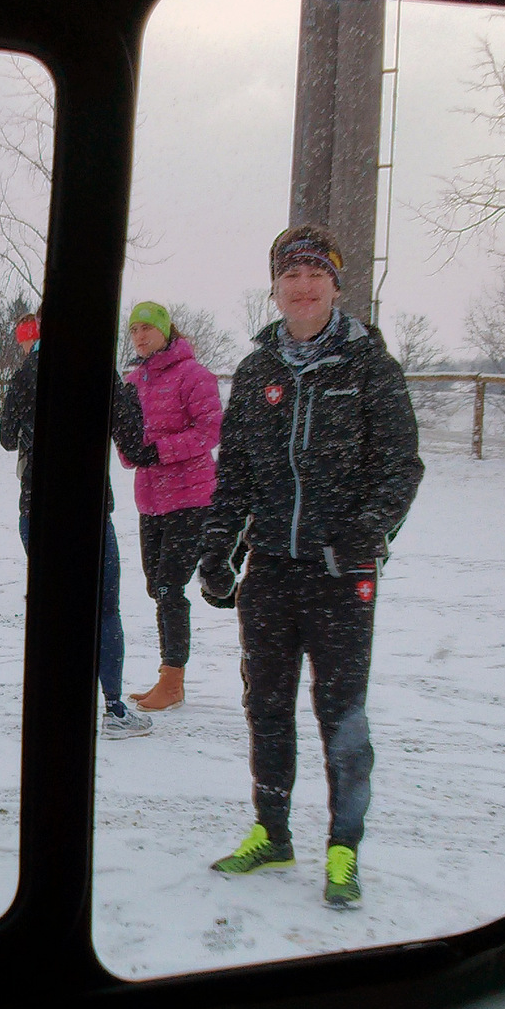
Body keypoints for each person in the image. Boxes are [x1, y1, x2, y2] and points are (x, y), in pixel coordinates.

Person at [200, 226, 422, 908]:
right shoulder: (256, 372)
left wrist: (366, 533)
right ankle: (272, 833)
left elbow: (401, 467)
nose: (303, 287)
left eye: (315, 275)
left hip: (340, 574)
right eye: (291, 276)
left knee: (341, 714)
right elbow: (235, 471)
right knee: (266, 707)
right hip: (270, 570)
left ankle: (344, 849)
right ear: (274, 288)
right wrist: (218, 546)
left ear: (335, 285)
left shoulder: (369, 368)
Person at [0, 324, 154, 740]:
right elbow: (133, 442)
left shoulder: (27, 373)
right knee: (104, 610)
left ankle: (54, 709)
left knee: (55, 611)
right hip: (88, 508)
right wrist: (129, 399)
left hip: (38, 507)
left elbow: (6, 438)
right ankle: (114, 708)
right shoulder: (99, 369)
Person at [118, 302, 222, 713]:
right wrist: (132, 452)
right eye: (134, 330)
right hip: (151, 499)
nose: (140, 336)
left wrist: (159, 451)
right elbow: (127, 437)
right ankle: (169, 675)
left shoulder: (194, 376)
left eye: (147, 328)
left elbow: (210, 430)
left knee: (168, 586)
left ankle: (172, 680)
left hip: (191, 497)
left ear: (165, 331)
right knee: (155, 586)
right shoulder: (132, 382)